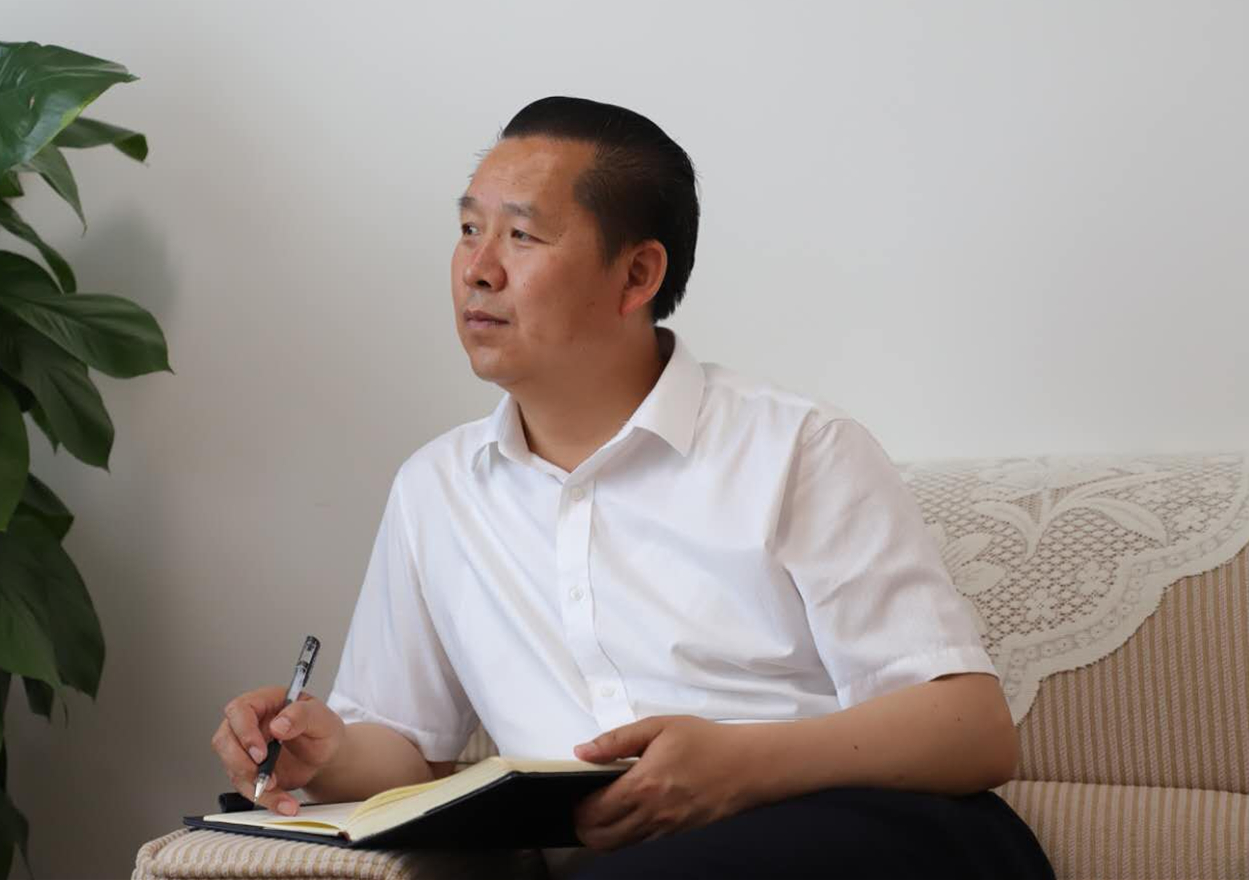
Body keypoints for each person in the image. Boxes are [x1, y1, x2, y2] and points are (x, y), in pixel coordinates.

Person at [211, 96, 1055, 879]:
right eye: (468, 231)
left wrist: (737, 763)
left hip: (872, 837)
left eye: (522, 237)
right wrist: (324, 751)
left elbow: (970, 731)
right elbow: (410, 750)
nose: (478, 270)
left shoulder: (797, 448)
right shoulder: (436, 488)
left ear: (637, 275)